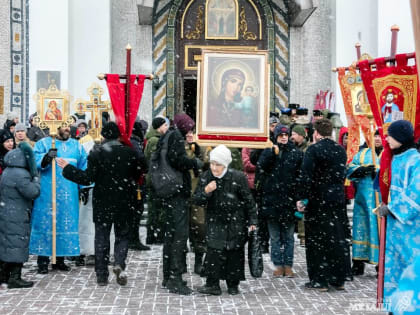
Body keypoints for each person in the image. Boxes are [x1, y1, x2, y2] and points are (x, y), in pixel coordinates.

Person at [59, 122, 144, 286]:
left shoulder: (97, 153)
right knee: (122, 236)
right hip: (125, 201)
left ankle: (102, 275)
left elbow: (87, 178)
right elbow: (140, 171)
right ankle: (119, 262)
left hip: (103, 201)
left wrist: (68, 168)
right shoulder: (129, 152)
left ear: (103, 135)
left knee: (102, 238)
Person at [194, 145, 257, 295]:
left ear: (226, 164)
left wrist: (253, 221)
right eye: (212, 163)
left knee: (234, 252)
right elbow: (197, 200)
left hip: (236, 220)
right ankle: (212, 284)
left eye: (218, 165)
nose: (214, 168)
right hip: (215, 220)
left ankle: (233, 284)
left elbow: (249, 201)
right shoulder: (206, 177)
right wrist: (206, 192)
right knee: (214, 251)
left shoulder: (238, 177)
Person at [297, 118, 351, 291]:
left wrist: (302, 198)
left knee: (318, 240)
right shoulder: (340, 150)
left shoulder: (313, 150)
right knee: (337, 238)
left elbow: (306, 177)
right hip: (336, 200)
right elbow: (341, 174)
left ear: (317, 133)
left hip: (318, 200)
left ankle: (320, 279)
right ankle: (339, 278)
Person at [152, 114, 202, 295]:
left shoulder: (168, 136)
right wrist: (194, 162)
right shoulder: (176, 137)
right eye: (189, 127)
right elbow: (177, 160)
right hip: (176, 192)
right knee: (179, 236)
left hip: (169, 190)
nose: (190, 131)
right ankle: (175, 277)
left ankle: (168, 276)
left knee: (171, 235)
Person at [29, 125, 87, 274]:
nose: (67, 129)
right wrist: (46, 158)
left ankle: (60, 260)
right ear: (56, 127)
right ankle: (43, 260)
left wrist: (84, 187)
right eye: (64, 127)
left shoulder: (77, 146)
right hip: (47, 193)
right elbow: (33, 161)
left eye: (68, 127)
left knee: (64, 223)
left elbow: (83, 167)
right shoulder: (43, 143)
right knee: (45, 223)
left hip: (69, 194)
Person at [376, 120, 420, 305]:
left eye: (390, 135)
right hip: (395, 226)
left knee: (409, 266)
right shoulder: (394, 157)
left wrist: (393, 208)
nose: (386, 139)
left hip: (410, 227)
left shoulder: (415, 160)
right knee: (394, 266)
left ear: (400, 137)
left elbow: (416, 191)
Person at [257, 125, 303, 278]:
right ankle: (278, 265)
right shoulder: (268, 151)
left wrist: (298, 197)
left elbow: (299, 176)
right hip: (272, 201)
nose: (283, 137)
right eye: (280, 135)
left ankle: (288, 265)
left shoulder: (296, 153)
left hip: (288, 201)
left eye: (286, 134)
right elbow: (261, 167)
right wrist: (271, 153)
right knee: (275, 237)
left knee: (289, 237)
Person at [0, 142, 40, 288]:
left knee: (7, 244)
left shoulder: (7, 171)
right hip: (18, 215)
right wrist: (36, 180)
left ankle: (3, 275)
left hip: (6, 213)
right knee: (18, 244)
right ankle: (15, 278)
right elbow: (33, 192)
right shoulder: (21, 174)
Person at [347, 130, 383, 275]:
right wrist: (361, 170)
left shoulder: (388, 154)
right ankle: (358, 262)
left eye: (380, 135)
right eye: (375, 135)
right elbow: (350, 168)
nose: (377, 138)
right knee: (360, 230)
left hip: (379, 200)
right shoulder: (364, 153)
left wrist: (379, 173)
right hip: (362, 200)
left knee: (378, 229)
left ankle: (380, 263)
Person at [144, 116, 167, 245]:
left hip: (156, 178)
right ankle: (153, 235)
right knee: (155, 209)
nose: (166, 128)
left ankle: (154, 234)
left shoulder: (155, 139)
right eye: (164, 126)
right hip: (156, 179)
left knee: (156, 208)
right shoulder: (154, 140)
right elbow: (153, 160)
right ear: (159, 127)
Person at [128, 120, 149, 251]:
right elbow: (141, 159)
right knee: (135, 212)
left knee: (134, 213)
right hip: (135, 183)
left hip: (132, 181)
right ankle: (133, 240)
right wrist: (144, 169)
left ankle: (132, 239)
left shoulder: (131, 141)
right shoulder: (134, 142)